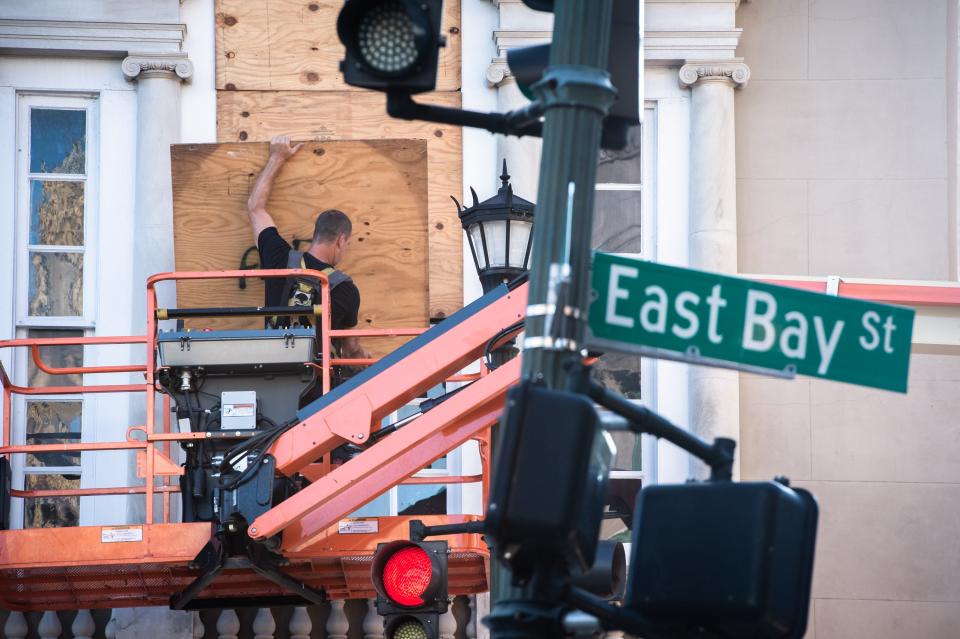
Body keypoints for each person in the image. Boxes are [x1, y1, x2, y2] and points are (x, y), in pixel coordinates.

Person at [247, 135, 372, 393]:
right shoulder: (345, 289)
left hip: (271, 377)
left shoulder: (279, 258)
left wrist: (277, 158)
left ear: (316, 234)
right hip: (317, 390)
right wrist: (372, 363)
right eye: (346, 244)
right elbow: (350, 350)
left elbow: (255, 208)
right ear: (340, 240)